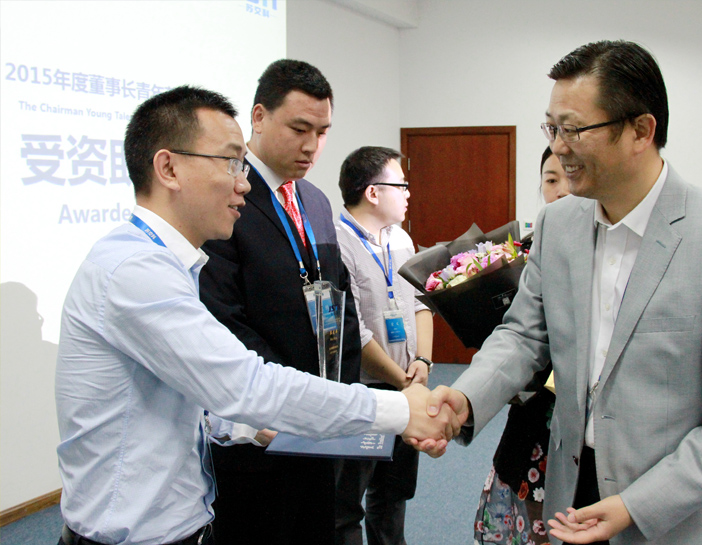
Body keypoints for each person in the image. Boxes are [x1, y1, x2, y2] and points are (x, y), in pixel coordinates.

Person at [55, 85, 457, 545]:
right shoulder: (135, 270)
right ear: (168, 168)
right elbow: (244, 384)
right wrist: (398, 409)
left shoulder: (169, 262)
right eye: (230, 163)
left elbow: (189, 391)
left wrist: (246, 425)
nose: (244, 182)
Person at [420, 40, 702, 545]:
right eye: (552, 128)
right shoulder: (558, 224)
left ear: (641, 130)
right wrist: (466, 396)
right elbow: (524, 335)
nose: (558, 147)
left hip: (675, 510)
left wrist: (638, 505)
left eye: (573, 129)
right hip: (571, 493)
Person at [197, 59, 364, 544]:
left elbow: (340, 298)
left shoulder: (315, 200)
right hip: (257, 430)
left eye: (322, 132)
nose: (312, 146)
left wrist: (341, 396)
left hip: (320, 425)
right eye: (299, 128)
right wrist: (295, 402)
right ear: (259, 116)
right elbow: (224, 319)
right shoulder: (225, 197)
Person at [331, 147, 434, 545]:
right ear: (373, 193)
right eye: (401, 185)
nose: (409, 193)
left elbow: (422, 303)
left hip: (408, 385)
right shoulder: (338, 243)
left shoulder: (400, 238)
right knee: (348, 502)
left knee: (393, 494)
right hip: (367, 392)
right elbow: (353, 333)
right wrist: (404, 383)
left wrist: (422, 360)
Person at [473, 146, 568, 545]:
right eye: (551, 179)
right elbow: (522, 334)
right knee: (535, 518)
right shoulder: (530, 249)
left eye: (569, 176)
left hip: (585, 418)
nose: (561, 190)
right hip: (535, 417)